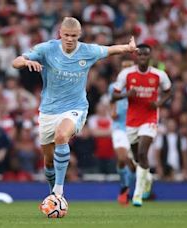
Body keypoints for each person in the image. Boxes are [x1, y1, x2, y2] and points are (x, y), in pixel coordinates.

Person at [12, 17, 137, 200]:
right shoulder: (47, 49)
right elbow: (16, 61)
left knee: (62, 135)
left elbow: (109, 50)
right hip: (48, 110)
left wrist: (128, 48)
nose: (70, 39)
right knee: (48, 161)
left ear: (79, 35)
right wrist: (25, 61)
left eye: (73, 36)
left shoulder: (87, 51)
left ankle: (59, 193)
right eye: (66, 35)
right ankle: (52, 192)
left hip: (75, 107)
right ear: (60, 34)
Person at [113, 43, 172, 207]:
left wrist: (159, 102)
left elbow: (168, 90)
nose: (143, 58)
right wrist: (127, 94)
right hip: (132, 121)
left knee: (143, 152)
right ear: (136, 56)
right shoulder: (126, 74)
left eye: (146, 55)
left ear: (150, 57)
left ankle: (138, 196)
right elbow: (114, 95)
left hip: (150, 119)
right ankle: (148, 178)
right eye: (140, 55)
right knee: (137, 158)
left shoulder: (159, 75)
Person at [108, 58, 136, 205]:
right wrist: (112, 112)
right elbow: (111, 102)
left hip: (134, 127)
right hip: (119, 126)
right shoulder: (114, 87)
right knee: (122, 157)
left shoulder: (138, 87)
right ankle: (124, 188)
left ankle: (127, 189)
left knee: (133, 165)